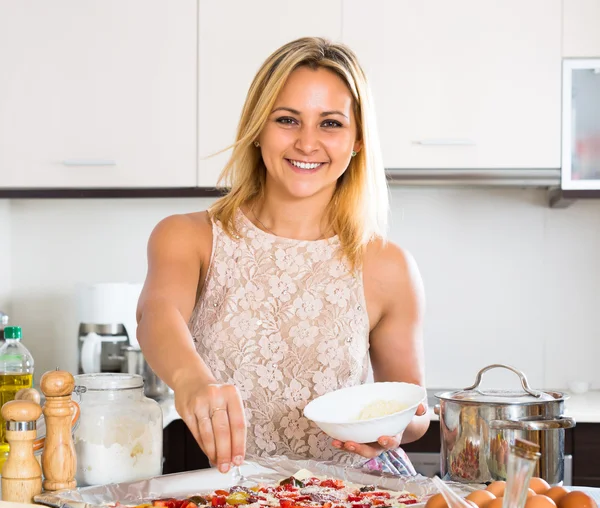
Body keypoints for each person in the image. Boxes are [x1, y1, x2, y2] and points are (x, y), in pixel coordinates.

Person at [137, 37, 429, 476]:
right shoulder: (188, 237)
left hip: (347, 506)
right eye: (288, 120)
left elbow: (414, 407)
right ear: (258, 130)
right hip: (226, 506)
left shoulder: (388, 265)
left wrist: (394, 429)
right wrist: (192, 381)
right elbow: (156, 315)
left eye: (330, 124)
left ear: (358, 142)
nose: (307, 143)